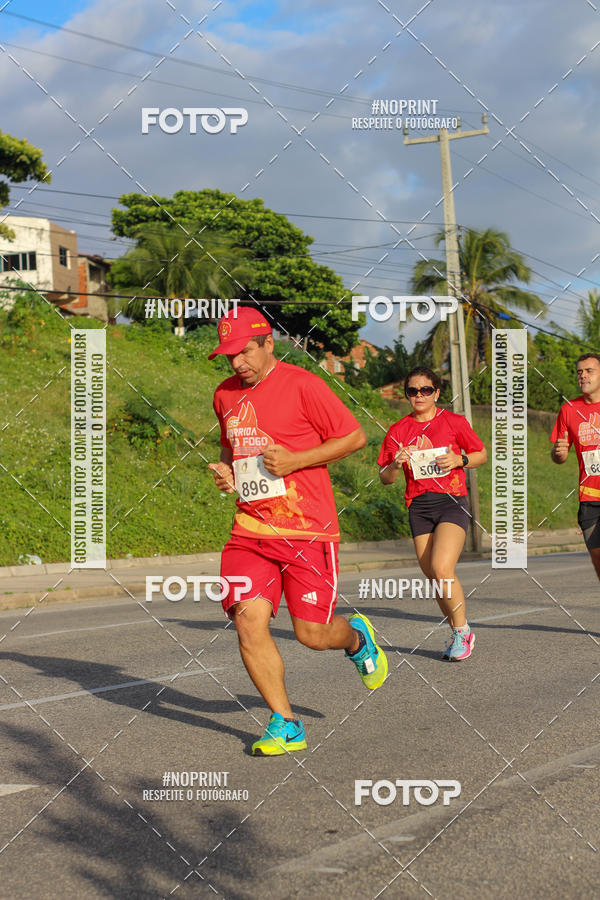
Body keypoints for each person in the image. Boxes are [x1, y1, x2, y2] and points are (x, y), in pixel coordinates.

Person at [208, 307, 388, 756]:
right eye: (229, 356)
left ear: (269, 343)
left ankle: (355, 638)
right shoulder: (225, 395)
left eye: (245, 352)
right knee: (248, 623)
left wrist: (296, 460)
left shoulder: (305, 384)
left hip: (307, 529)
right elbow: (236, 450)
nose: (237, 364)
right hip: (250, 529)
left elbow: (354, 437)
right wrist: (228, 472)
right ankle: (286, 723)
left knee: (312, 635)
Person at [377, 366, 487, 660]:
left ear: (437, 393)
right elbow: (384, 478)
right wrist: (395, 465)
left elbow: (480, 454)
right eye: (413, 391)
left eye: (426, 390)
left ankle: (463, 632)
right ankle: (457, 630)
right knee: (434, 577)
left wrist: (459, 459)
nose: (419, 396)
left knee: (441, 568)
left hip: (451, 501)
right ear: (407, 396)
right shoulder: (398, 431)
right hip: (419, 507)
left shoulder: (453, 422)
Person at [551, 353, 600, 580]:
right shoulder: (569, 409)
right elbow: (559, 456)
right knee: (598, 559)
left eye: (589, 371)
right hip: (590, 497)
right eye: (580, 372)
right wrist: (558, 453)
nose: (583, 376)